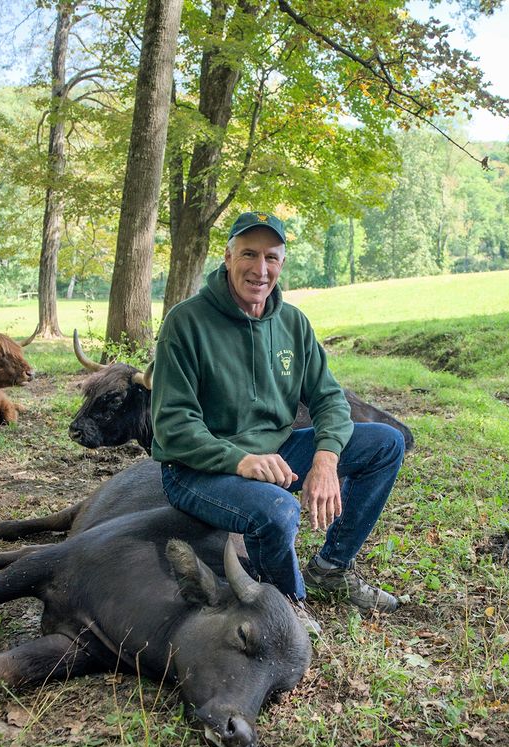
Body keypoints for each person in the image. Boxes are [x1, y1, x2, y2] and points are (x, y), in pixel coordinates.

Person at [149, 211, 406, 635]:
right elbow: (174, 426)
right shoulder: (186, 322)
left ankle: (332, 567)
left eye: (271, 256)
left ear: (281, 264)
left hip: (277, 451)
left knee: (385, 442)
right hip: (197, 468)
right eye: (249, 254)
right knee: (278, 507)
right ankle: (288, 603)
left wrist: (325, 458)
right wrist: (240, 459)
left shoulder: (292, 323)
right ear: (228, 257)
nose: (260, 268)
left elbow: (329, 398)